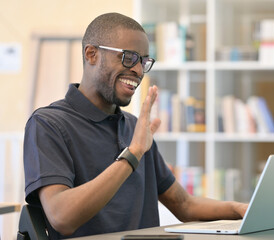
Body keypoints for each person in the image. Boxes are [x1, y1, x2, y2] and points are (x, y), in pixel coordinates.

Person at [23, 12, 248, 239]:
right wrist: (133, 154)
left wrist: (238, 209)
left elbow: (184, 204)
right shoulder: (48, 124)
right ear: (91, 54)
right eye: (128, 57)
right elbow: (62, 217)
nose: (139, 71)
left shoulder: (134, 128)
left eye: (143, 61)